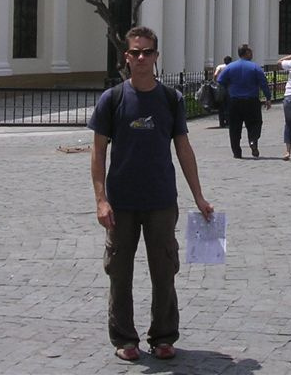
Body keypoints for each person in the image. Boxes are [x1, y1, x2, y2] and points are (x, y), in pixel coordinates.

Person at [88, 26, 213, 362]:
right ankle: (125, 338)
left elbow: (183, 148)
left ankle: (163, 337)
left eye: (147, 52)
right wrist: (101, 200)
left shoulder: (170, 99)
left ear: (157, 56)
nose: (141, 58)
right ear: (126, 57)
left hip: (160, 202)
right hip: (121, 205)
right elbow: (98, 152)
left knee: (164, 271)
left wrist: (199, 196)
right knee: (119, 273)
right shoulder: (112, 99)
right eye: (135, 52)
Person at [218, 44, 272, 159]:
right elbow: (263, 83)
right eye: (250, 52)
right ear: (246, 53)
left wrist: (230, 87)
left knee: (234, 127)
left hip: (234, 101)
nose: (252, 54)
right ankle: (253, 140)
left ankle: (237, 152)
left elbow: (220, 80)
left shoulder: (230, 67)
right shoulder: (255, 67)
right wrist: (268, 97)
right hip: (251, 100)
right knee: (255, 123)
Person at [212, 56, 232, 128]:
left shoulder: (220, 66)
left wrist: (214, 81)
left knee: (221, 105)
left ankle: (221, 122)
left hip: (220, 87)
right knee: (228, 105)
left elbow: (215, 74)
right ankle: (228, 121)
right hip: (229, 87)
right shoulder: (231, 67)